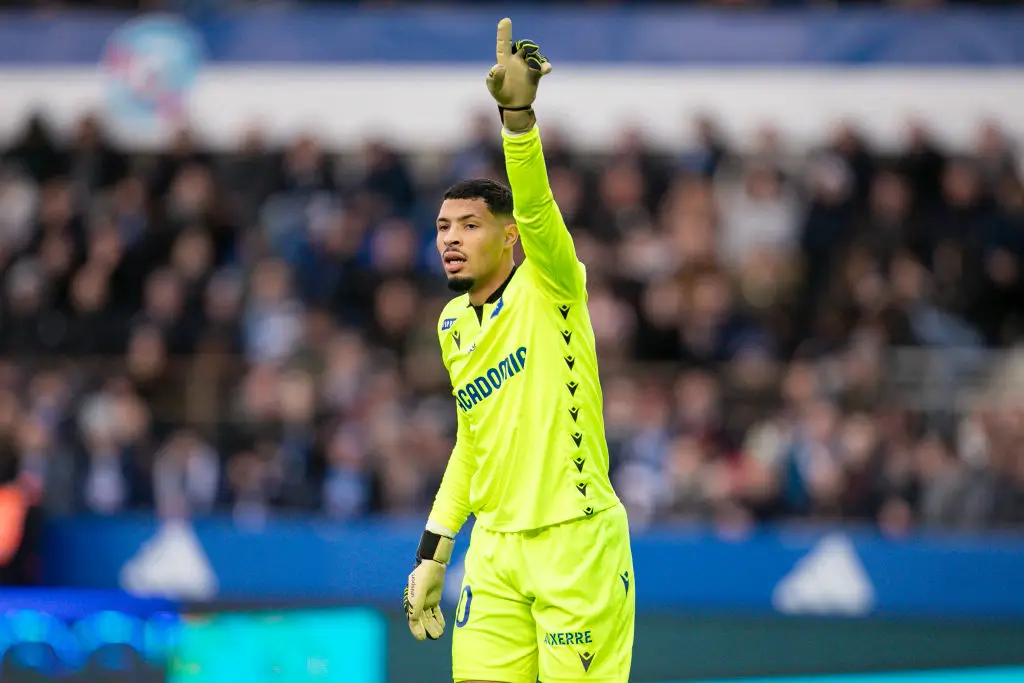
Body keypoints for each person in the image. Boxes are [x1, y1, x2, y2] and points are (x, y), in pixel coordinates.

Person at [403, 18, 635, 683]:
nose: (451, 238)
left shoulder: (551, 282)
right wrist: (434, 549)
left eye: (470, 225)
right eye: (444, 226)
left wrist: (517, 121)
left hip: (576, 542)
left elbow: (536, 208)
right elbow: (474, 443)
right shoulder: (453, 324)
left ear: (507, 238)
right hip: (494, 555)